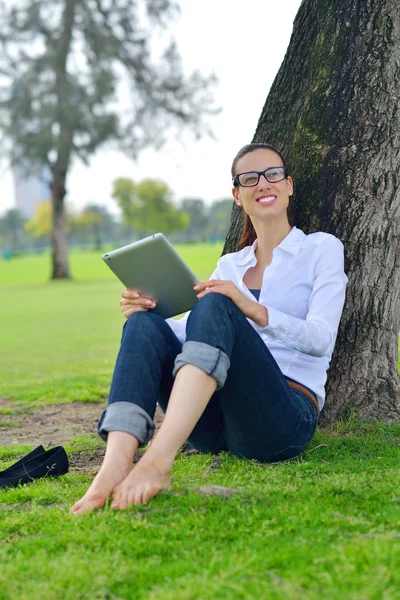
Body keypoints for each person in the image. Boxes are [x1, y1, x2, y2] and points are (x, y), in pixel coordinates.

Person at [70, 143, 348, 515]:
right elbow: (193, 335)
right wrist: (147, 310)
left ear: (289, 185)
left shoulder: (321, 249)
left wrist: (250, 308)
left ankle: (156, 463)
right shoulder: (231, 265)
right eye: (249, 179)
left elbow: (321, 339)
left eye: (273, 174)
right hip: (216, 424)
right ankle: (115, 464)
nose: (263, 184)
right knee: (144, 323)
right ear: (237, 195)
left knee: (218, 303)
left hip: (282, 417)